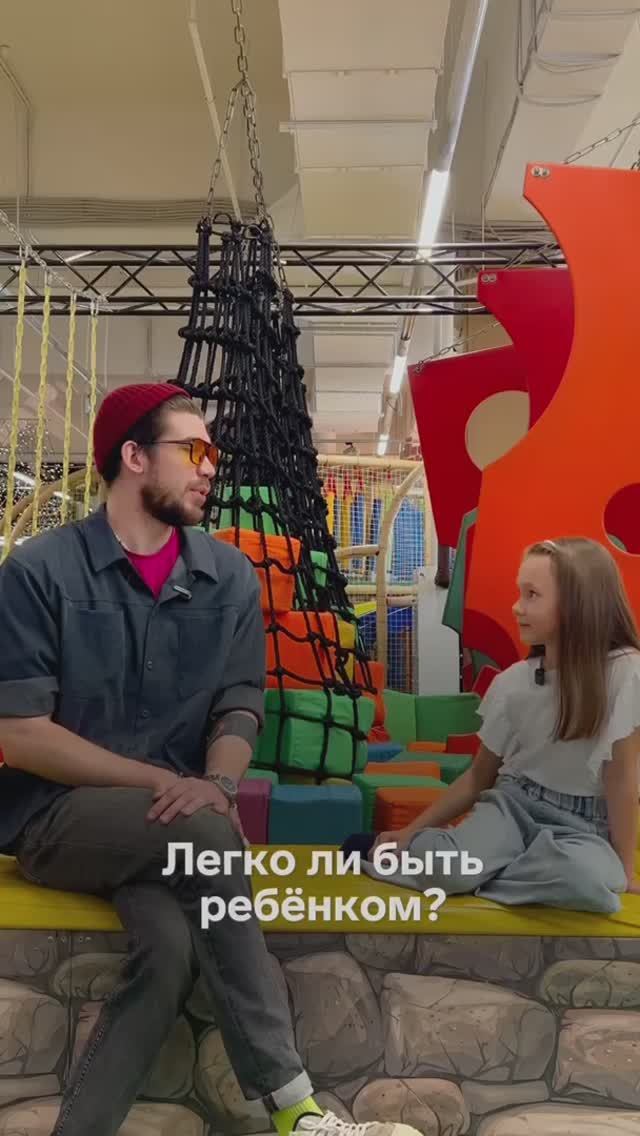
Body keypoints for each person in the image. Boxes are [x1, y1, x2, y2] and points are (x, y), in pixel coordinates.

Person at [0, 382, 421, 1136]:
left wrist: (219, 780)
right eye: (192, 449)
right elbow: (22, 734)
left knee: (169, 952)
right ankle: (295, 1107)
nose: (209, 467)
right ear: (133, 456)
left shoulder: (226, 577)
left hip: (172, 822)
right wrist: (171, 785)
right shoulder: (39, 572)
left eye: (212, 453)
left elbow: (239, 705)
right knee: (205, 830)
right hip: (59, 818)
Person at [353, 537, 640, 913]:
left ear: (577, 604)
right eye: (520, 593)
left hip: (583, 827)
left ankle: (484, 870)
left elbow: (622, 780)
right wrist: (409, 833)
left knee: (589, 882)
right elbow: (478, 776)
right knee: (451, 869)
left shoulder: (625, 671)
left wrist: (625, 871)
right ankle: (439, 857)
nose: (517, 607)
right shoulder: (513, 683)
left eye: (532, 595)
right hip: (513, 808)